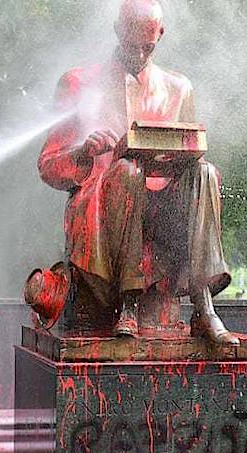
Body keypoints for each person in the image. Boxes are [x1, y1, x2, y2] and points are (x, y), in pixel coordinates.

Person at [37, 0, 236, 344]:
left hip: (162, 209)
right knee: (128, 170)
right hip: (104, 208)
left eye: (149, 46)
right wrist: (84, 152)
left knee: (204, 172)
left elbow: (188, 155)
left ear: (160, 35)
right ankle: (126, 304)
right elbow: (49, 165)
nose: (141, 54)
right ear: (117, 31)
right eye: (132, 45)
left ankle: (203, 307)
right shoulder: (78, 82)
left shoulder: (178, 88)